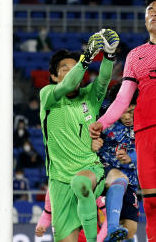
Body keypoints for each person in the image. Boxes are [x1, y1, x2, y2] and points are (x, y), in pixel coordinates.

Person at [89, 0, 156, 242]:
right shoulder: (135, 55)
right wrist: (101, 122)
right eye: (149, 10)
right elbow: (123, 98)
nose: (153, 13)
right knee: (151, 207)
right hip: (144, 135)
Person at [40, 29, 119, 242]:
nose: (70, 72)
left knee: (81, 184)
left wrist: (109, 56)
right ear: (54, 77)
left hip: (88, 170)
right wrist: (85, 60)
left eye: (73, 68)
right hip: (58, 182)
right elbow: (66, 85)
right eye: (63, 69)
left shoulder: (89, 97)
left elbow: (103, 80)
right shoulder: (48, 96)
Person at [95, 83, 139, 241]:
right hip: (104, 171)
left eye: (132, 112)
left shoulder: (145, 123)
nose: (128, 117)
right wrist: (93, 142)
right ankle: (112, 226)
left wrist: (132, 158)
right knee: (118, 177)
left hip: (131, 181)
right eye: (124, 112)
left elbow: (152, 153)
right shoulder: (104, 118)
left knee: (130, 230)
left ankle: (111, 237)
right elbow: (87, 138)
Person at [35, 191, 108, 242]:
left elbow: (110, 216)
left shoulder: (88, 184)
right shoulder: (52, 190)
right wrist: (41, 226)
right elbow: (47, 214)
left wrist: (99, 238)